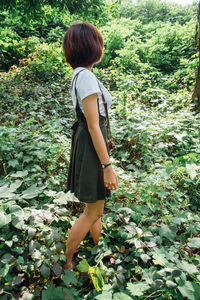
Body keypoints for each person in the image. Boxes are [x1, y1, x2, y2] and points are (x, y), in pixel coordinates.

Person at [62, 21, 118, 270]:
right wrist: (107, 165)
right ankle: (67, 262)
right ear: (92, 46)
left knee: (94, 207)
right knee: (92, 212)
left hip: (90, 145)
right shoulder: (85, 77)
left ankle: (98, 249)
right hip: (93, 148)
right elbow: (95, 126)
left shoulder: (81, 75)